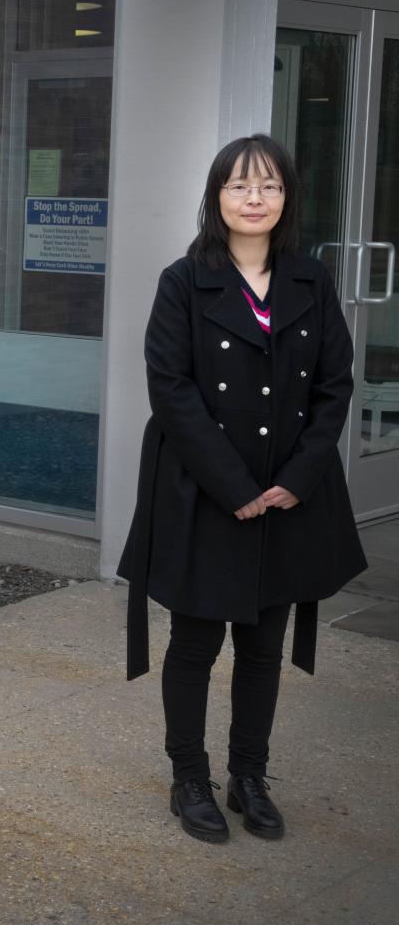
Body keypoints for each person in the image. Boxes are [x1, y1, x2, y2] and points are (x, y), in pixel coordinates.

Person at [119, 134, 367, 844]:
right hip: (206, 492)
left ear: (287, 198)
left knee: (263, 646)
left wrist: (296, 479)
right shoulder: (183, 280)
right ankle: (189, 777)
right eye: (238, 186)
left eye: (268, 187)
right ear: (216, 197)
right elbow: (170, 390)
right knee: (195, 643)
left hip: (289, 495)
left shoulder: (310, 281)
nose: (253, 199)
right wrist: (235, 485)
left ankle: (248, 775)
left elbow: (334, 385)